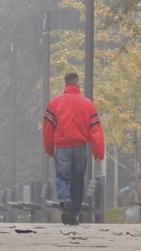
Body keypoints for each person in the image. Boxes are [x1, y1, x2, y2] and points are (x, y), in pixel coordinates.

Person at [42, 72, 105, 225]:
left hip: (63, 147)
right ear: (78, 85)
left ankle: (65, 201)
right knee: (78, 181)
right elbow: (96, 130)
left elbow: (48, 129)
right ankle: (74, 214)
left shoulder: (54, 104)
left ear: (65, 84)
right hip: (80, 148)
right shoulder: (88, 104)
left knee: (62, 178)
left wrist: (49, 149)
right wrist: (98, 152)